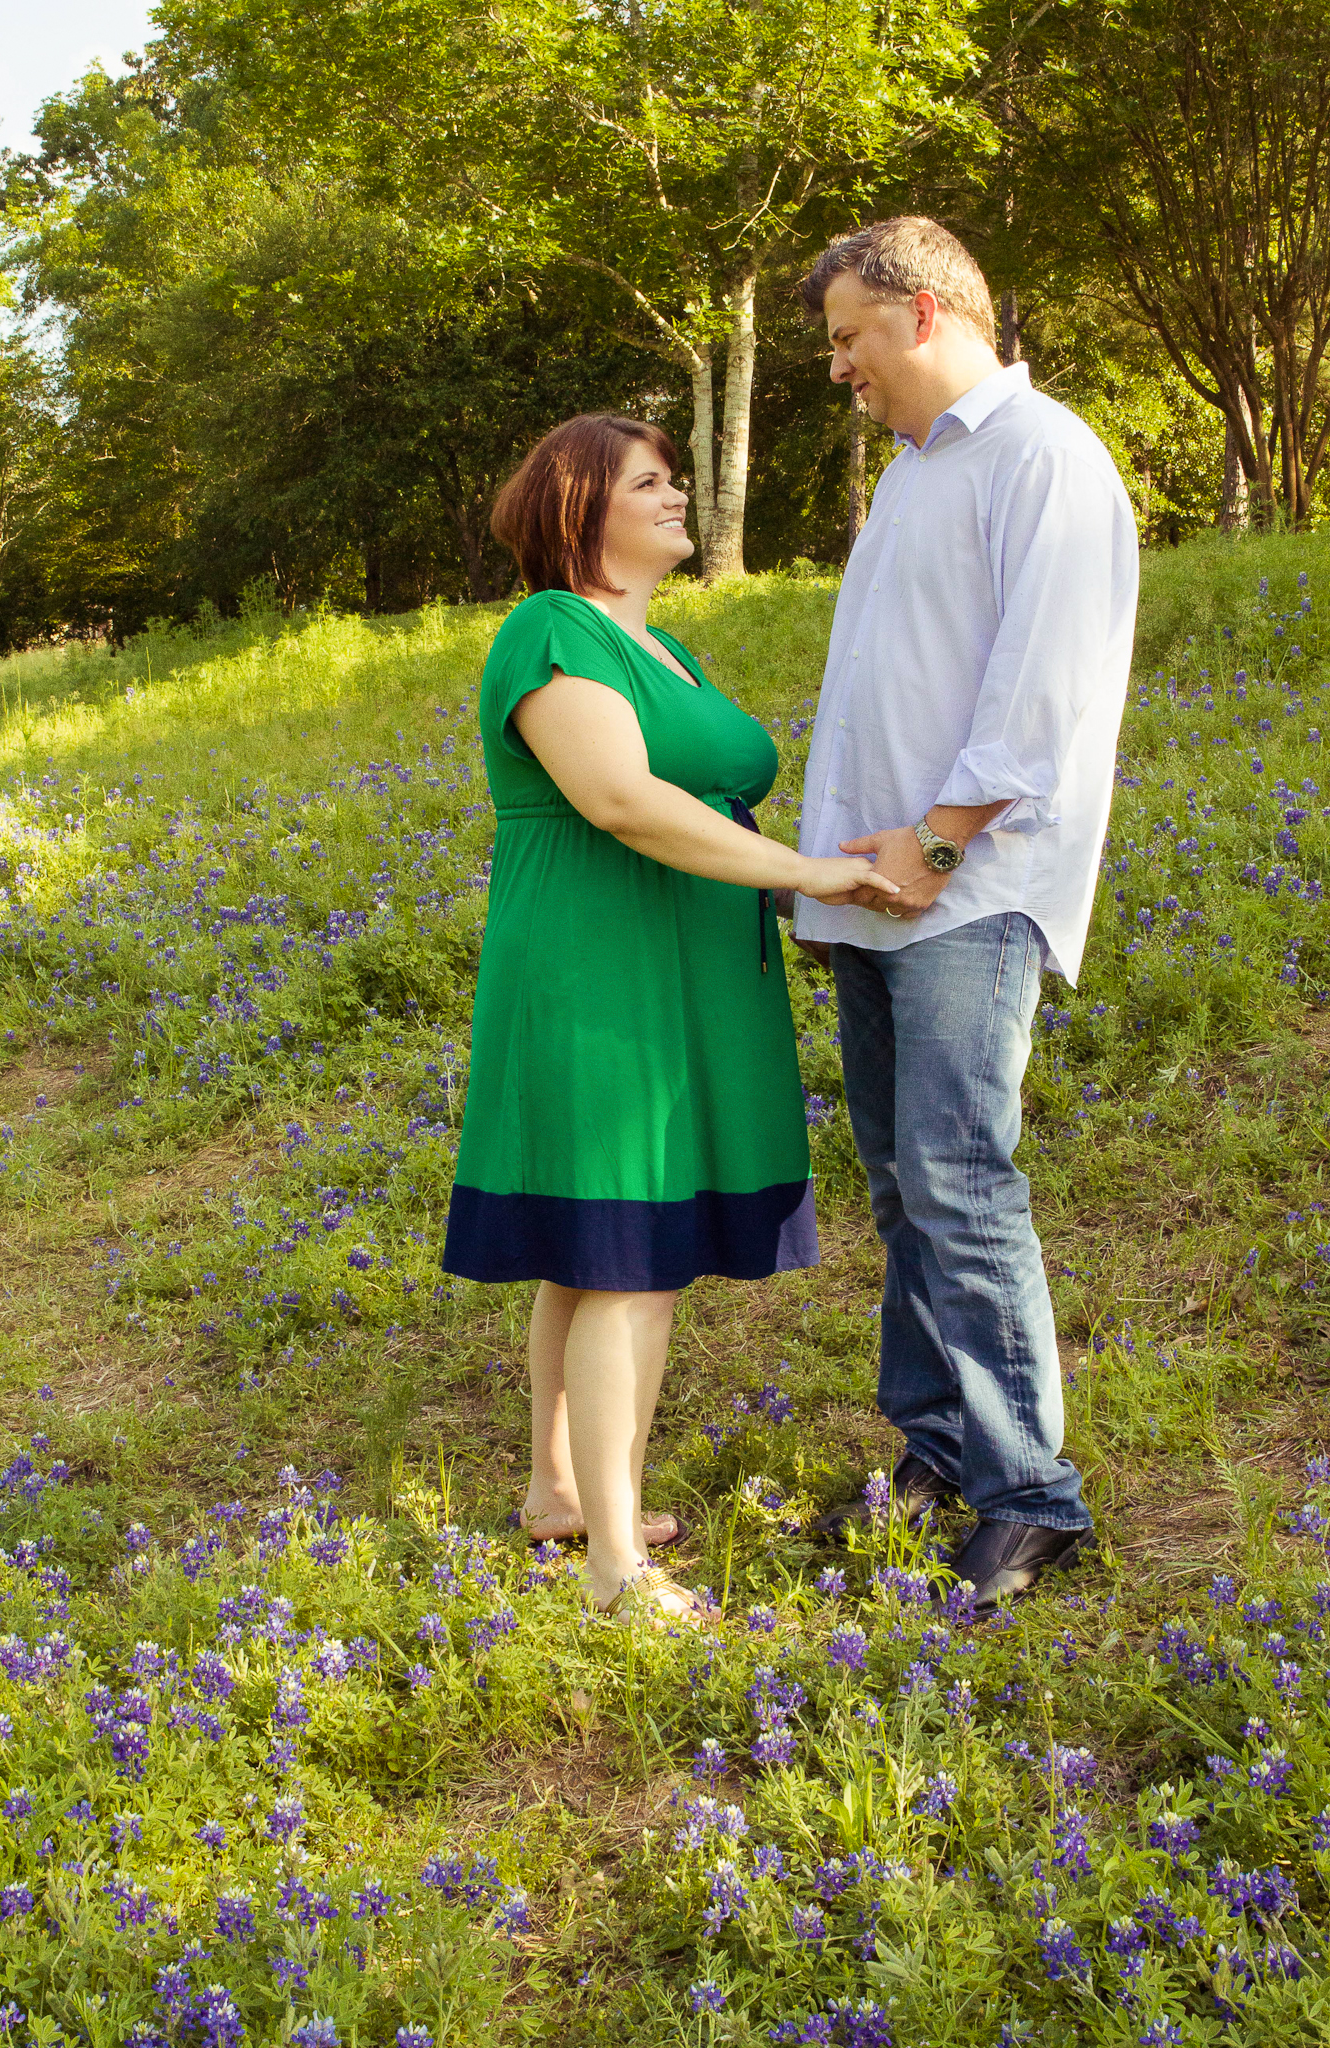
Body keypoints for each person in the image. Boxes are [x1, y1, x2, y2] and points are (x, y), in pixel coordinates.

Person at [441, 413, 895, 1623]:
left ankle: (561, 1491)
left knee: (593, 1251)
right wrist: (801, 871)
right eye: (650, 481)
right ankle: (615, 1574)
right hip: (602, 968)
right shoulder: (552, 628)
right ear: (580, 510)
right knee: (627, 1260)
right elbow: (618, 797)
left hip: (679, 966)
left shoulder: (663, 643)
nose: (677, 495)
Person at [794, 218, 1139, 1612]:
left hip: (966, 889)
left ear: (923, 314)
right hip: (879, 894)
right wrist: (837, 872)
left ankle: (1028, 1495)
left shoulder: (1042, 454)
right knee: (899, 1185)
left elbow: (1042, 689)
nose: (839, 371)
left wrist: (936, 845)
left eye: (847, 340)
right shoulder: (910, 477)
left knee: (956, 1177)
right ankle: (937, 1447)